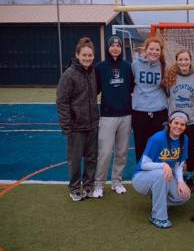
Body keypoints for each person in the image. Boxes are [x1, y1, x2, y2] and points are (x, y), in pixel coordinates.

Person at [132, 111, 191, 229]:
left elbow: (179, 165)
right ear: (170, 123)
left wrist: (180, 182)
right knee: (161, 173)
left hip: (164, 176)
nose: (178, 127)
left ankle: (159, 200)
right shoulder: (158, 138)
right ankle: (158, 217)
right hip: (142, 178)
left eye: (182, 124)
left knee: (184, 195)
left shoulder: (184, 139)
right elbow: (143, 164)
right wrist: (163, 165)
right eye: (176, 123)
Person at [56, 37, 99, 201]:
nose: (87, 58)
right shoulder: (69, 74)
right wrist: (67, 125)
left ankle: (88, 186)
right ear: (77, 55)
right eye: (84, 55)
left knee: (92, 157)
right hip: (76, 126)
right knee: (75, 160)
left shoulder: (93, 72)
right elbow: (62, 101)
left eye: (90, 55)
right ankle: (74, 188)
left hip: (93, 124)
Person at [92, 35, 134, 198]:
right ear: (108, 48)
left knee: (122, 152)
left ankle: (116, 182)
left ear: (121, 48)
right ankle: (99, 185)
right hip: (107, 116)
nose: (115, 48)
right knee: (105, 153)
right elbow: (95, 90)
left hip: (125, 115)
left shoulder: (127, 67)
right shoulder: (100, 67)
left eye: (118, 45)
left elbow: (132, 88)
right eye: (112, 45)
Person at [165, 49, 194, 192]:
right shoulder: (171, 74)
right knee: (173, 148)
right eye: (180, 59)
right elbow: (167, 93)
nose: (183, 62)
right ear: (177, 61)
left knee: (189, 148)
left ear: (190, 60)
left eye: (186, 59)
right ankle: (173, 175)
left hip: (192, 119)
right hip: (174, 120)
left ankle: (190, 176)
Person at [131, 36, 168, 163]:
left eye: (157, 50)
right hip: (139, 111)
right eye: (151, 49)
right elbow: (131, 84)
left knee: (158, 146)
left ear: (161, 51)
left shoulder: (164, 66)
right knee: (140, 146)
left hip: (159, 111)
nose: (154, 52)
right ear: (146, 50)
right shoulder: (135, 64)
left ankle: (157, 176)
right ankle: (141, 176)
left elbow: (167, 89)